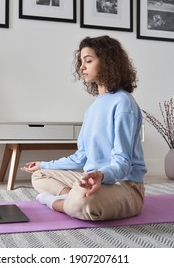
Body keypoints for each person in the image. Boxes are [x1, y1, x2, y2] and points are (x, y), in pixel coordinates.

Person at [21, 35, 147, 221]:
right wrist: (43, 165)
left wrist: (101, 176)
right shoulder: (92, 108)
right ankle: (70, 198)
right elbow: (81, 157)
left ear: (107, 62)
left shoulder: (123, 103)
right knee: (39, 176)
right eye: (81, 61)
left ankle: (56, 202)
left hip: (125, 185)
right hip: (92, 180)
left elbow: (122, 161)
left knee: (84, 203)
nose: (81, 67)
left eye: (88, 61)